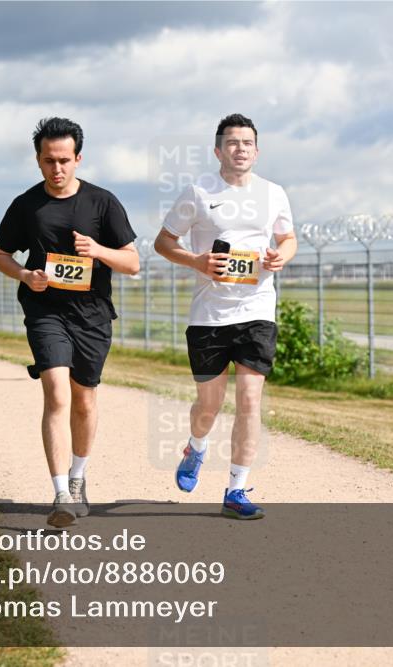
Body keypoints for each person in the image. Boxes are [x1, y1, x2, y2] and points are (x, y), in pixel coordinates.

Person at [0, 117, 139, 527]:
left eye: (64, 161)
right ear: (38, 161)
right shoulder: (26, 205)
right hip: (45, 311)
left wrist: (99, 250)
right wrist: (24, 275)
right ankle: (59, 493)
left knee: (84, 399)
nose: (56, 169)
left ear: (78, 159)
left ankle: (77, 478)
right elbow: (0, 255)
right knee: (57, 392)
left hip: (92, 315)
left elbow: (132, 262)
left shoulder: (102, 203)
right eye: (48, 161)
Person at [153, 113, 296, 520]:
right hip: (209, 315)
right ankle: (196, 448)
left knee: (250, 400)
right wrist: (197, 261)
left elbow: (288, 238)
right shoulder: (198, 192)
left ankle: (236, 489)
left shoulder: (273, 193)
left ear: (257, 150)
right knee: (208, 407)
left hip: (257, 309)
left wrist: (280, 256)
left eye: (247, 142)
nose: (240, 149)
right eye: (232, 142)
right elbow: (163, 242)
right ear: (218, 150)